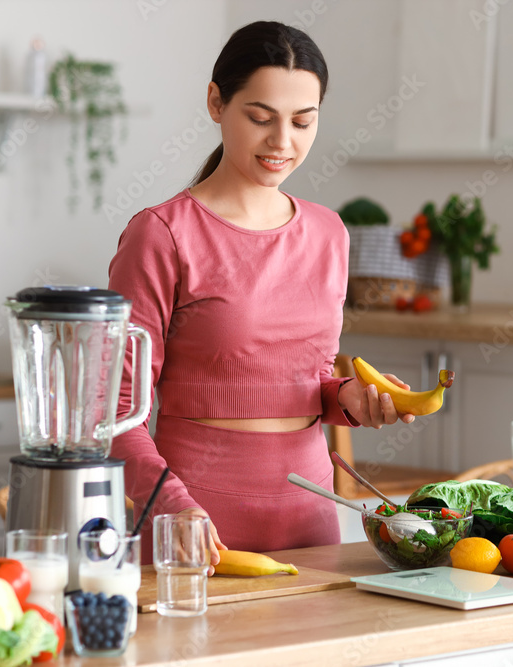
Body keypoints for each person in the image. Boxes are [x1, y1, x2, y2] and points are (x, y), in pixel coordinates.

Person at [107, 21, 412, 573]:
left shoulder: (328, 232)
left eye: (303, 122)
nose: (282, 143)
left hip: (314, 521)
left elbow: (308, 377)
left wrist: (352, 399)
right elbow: (115, 416)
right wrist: (173, 508)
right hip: (195, 526)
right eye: (260, 117)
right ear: (216, 103)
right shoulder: (162, 234)